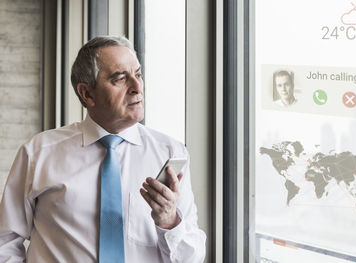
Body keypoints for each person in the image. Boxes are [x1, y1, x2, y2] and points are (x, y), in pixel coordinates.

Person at [0, 36, 206, 262]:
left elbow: (191, 258)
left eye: (138, 75)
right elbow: (5, 242)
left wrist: (169, 222)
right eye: (120, 79)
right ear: (87, 94)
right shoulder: (38, 153)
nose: (137, 88)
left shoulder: (169, 153)